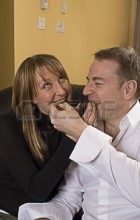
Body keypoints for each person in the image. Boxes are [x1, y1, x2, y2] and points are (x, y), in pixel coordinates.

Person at [18, 47, 140, 220]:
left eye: (97, 83)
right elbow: (68, 198)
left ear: (128, 89)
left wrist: (83, 135)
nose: (85, 91)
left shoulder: (86, 132)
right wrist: (45, 217)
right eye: (88, 81)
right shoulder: (90, 126)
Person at [0, 54, 85, 220]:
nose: (61, 91)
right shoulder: (6, 126)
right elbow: (38, 192)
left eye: (62, 79)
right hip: (13, 213)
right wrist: (74, 134)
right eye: (47, 85)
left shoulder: (70, 115)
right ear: (31, 96)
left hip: (54, 207)